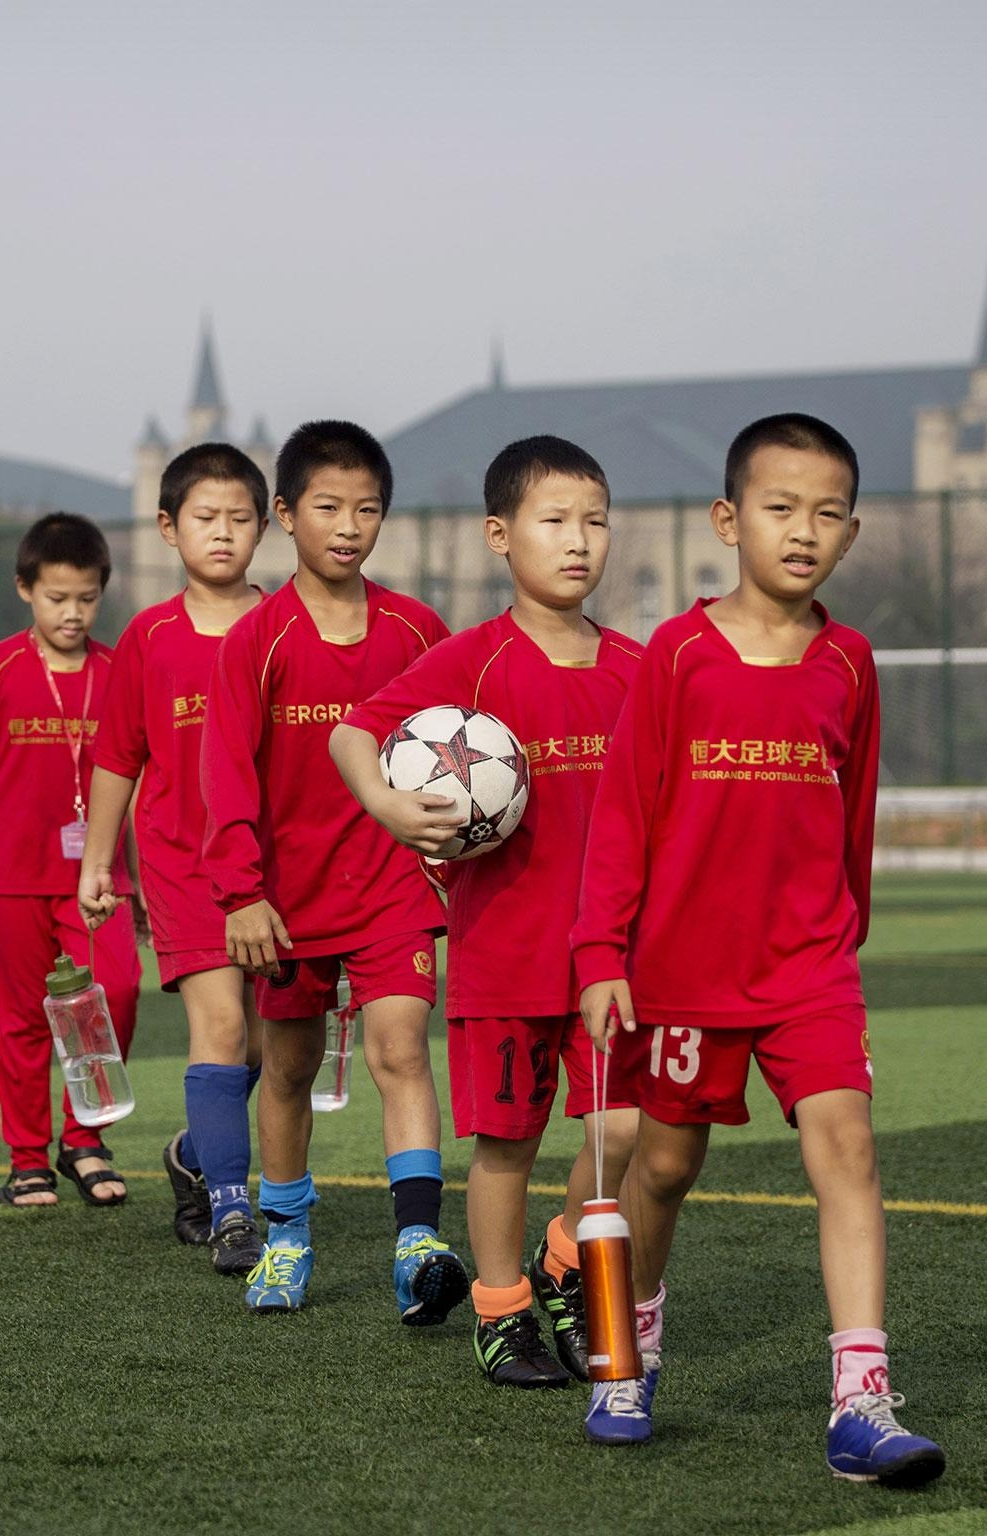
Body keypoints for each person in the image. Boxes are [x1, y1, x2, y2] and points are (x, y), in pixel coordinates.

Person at [575, 414, 944, 1483]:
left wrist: (841, 946)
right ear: (728, 520)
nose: (802, 531)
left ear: (852, 531)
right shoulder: (677, 656)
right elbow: (621, 816)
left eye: (826, 514)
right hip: (681, 970)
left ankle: (860, 1402)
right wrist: (600, 954)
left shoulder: (849, 662)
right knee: (665, 1165)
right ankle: (627, 1352)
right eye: (780, 509)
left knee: (847, 1149)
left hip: (808, 970)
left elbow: (853, 815)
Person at [334, 435, 642, 1400]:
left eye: (594, 520)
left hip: (613, 963)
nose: (578, 541)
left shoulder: (643, 669)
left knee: (627, 1131)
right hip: (504, 954)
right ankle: (503, 1308)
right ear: (500, 538)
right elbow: (354, 733)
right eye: (554, 522)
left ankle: (561, 1261)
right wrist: (387, 806)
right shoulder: (471, 663)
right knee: (505, 1144)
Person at [201, 419, 466, 1322]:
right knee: (287, 1068)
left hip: (394, 888)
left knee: (401, 1047)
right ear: (285, 514)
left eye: (367, 508)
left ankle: (418, 1242)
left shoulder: (419, 630)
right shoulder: (257, 640)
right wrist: (241, 890)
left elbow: (461, 751)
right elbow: (225, 770)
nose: (349, 525)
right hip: (287, 898)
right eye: (327, 507)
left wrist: (456, 837)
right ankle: (285, 1239)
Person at [78, 443, 268, 1274]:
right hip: (184, 865)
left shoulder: (286, 625)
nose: (222, 534)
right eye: (204, 518)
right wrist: (97, 865)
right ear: (167, 528)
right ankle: (231, 1206)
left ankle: (196, 1151)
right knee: (220, 1025)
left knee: (267, 1050)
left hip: (277, 870)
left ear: (266, 526)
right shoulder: (149, 639)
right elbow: (118, 758)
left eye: (239, 519)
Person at [0, 512, 142, 1209]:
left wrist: (134, 874)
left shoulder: (120, 670)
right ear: (26, 589)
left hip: (96, 876)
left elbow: (137, 779)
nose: (73, 613)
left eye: (86, 598)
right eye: (58, 598)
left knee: (115, 992)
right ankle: (28, 1157)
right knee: (24, 1017)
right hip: (5, 875)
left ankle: (84, 1137)